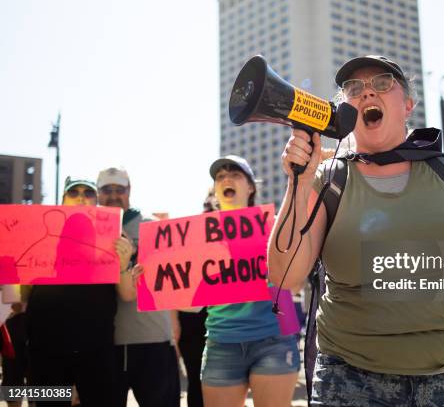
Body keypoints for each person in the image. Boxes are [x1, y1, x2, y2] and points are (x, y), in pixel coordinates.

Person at [268, 55, 444, 406]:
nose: (366, 94)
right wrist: (298, 183)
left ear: (408, 104)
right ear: (343, 110)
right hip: (349, 383)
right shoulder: (329, 180)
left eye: (381, 83)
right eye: (353, 88)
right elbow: (285, 276)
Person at [23, 177, 135, 407]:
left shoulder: (113, 238)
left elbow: (127, 295)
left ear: (96, 201)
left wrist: (123, 263)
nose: (81, 197)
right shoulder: (37, 237)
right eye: (74, 193)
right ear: (63, 200)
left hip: (96, 350)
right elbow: (23, 295)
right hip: (45, 349)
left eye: (88, 193)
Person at [201, 155, 300, 407]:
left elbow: (294, 286)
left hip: (273, 340)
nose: (226, 179)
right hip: (221, 342)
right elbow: (191, 305)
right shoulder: (199, 236)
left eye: (235, 174)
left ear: (251, 187)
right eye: (220, 176)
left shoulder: (274, 227)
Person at [96, 167, 180, 407]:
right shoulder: (87, 229)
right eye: (106, 190)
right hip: (108, 343)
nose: (113, 195)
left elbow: (172, 281)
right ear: (98, 193)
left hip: (153, 338)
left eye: (119, 189)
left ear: (129, 190)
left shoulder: (153, 227)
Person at [176, 187, 215, 407]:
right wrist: (173, 323)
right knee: (196, 381)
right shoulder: (190, 235)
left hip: (229, 320)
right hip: (192, 319)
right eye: (209, 205)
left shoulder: (244, 233)